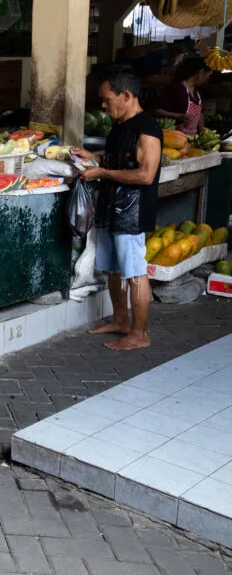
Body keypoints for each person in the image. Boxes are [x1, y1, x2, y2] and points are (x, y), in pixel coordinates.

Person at [72, 68, 162, 352]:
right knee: (112, 270)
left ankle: (140, 333)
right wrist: (94, 158)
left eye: (106, 99)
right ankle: (121, 321)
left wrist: (102, 172)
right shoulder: (119, 125)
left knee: (134, 272)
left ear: (125, 95)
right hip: (111, 208)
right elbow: (120, 163)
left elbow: (146, 175)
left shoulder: (147, 128)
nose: (102, 105)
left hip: (132, 214)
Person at [154, 55, 212, 136]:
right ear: (200, 72)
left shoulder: (198, 93)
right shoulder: (176, 89)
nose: (207, 79)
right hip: (175, 137)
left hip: (192, 138)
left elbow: (200, 114)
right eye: (207, 76)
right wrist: (177, 115)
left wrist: (203, 129)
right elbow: (157, 111)